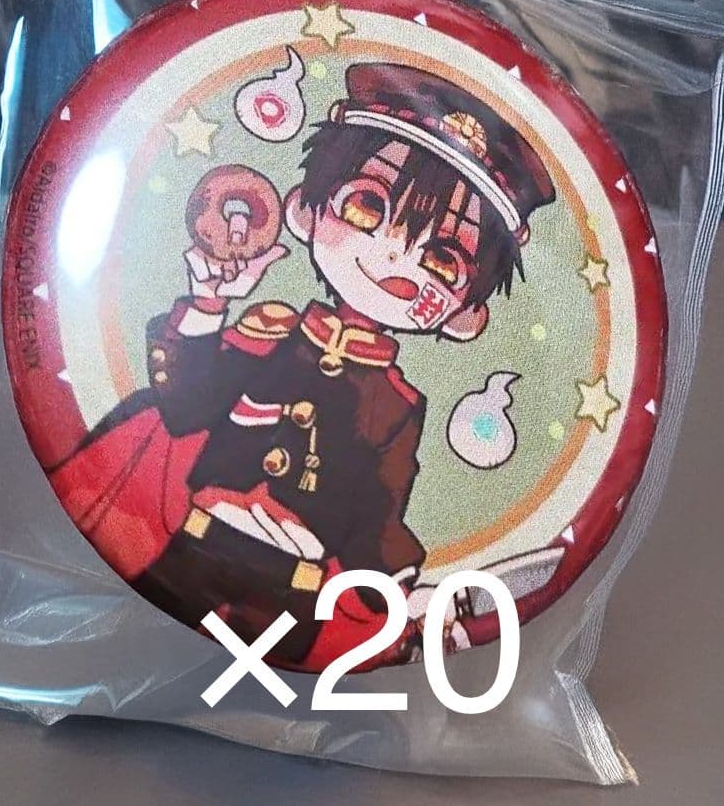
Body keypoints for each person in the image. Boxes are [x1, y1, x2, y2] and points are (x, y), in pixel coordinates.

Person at [49, 63, 556, 670]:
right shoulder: (268, 333)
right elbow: (185, 408)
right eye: (368, 208)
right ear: (305, 211)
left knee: (282, 697)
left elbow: (378, 517)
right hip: (186, 554)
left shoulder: (398, 404)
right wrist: (208, 303)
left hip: (295, 598)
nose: (394, 255)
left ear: (466, 316)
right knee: (129, 661)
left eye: (444, 261)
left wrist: (405, 594)